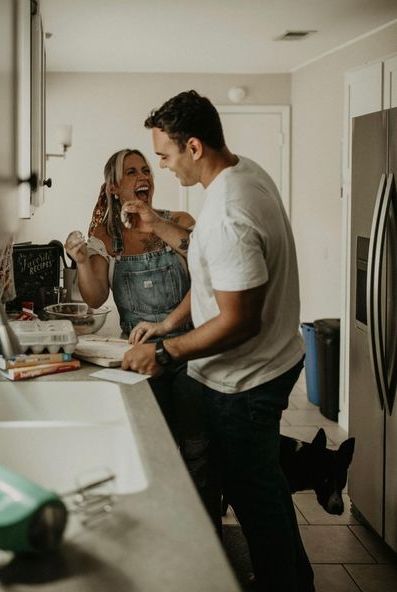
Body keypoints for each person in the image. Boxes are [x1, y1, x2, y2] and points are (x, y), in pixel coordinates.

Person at [122, 91, 315, 592]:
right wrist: (168, 321)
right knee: (267, 492)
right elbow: (213, 269)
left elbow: (238, 320)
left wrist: (164, 352)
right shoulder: (242, 173)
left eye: (163, 156)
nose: (161, 168)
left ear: (193, 146)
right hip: (270, 364)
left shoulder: (229, 210)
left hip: (245, 382)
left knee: (257, 507)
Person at [64, 148, 220, 530]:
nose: (142, 176)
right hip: (138, 358)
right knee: (153, 447)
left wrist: (167, 325)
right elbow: (96, 296)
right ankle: (162, 530)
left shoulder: (178, 223)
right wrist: (83, 260)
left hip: (189, 349)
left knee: (198, 448)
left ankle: (205, 535)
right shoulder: (104, 236)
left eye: (145, 169)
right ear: (115, 187)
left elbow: (205, 285)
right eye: (131, 172)